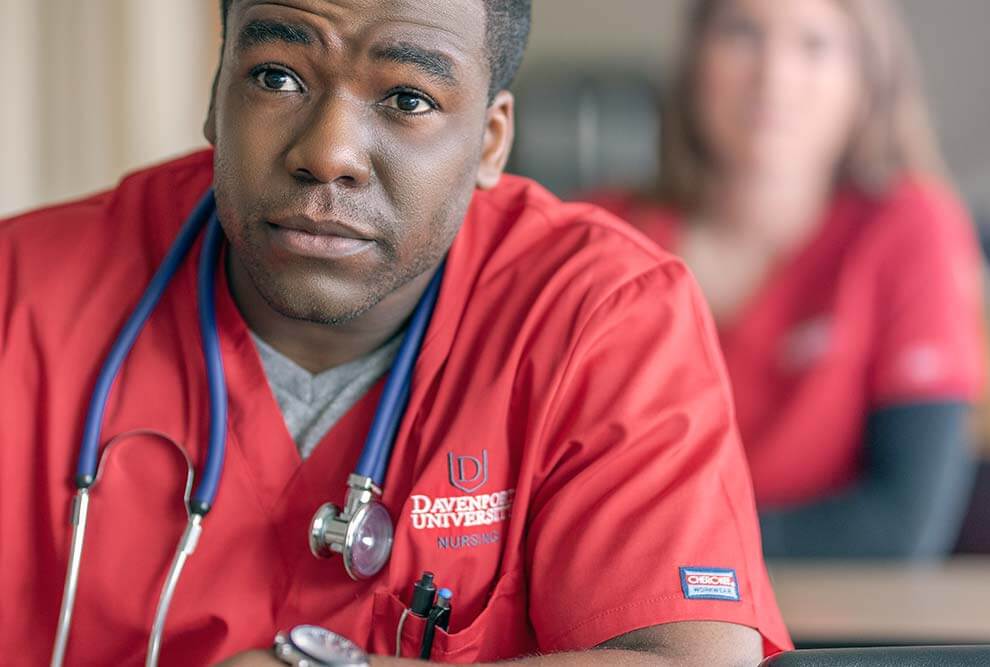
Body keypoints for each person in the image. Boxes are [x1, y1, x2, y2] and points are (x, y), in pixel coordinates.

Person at [0, 1, 790, 665]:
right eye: (276, 76)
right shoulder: (21, 293)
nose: (327, 154)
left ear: (490, 141)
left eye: (407, 97)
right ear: (215, 99)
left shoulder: (600, 309)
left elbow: (682, 657)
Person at [588, 0, 985, 559]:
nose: (773, 76)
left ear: (866, 78)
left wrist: (664, 543)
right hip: (617, 626)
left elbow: (903, 527)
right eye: (742, 35)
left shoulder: (911, 228)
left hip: (834, 627)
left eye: (814, 45)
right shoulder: (600, 234)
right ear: (696, 60)